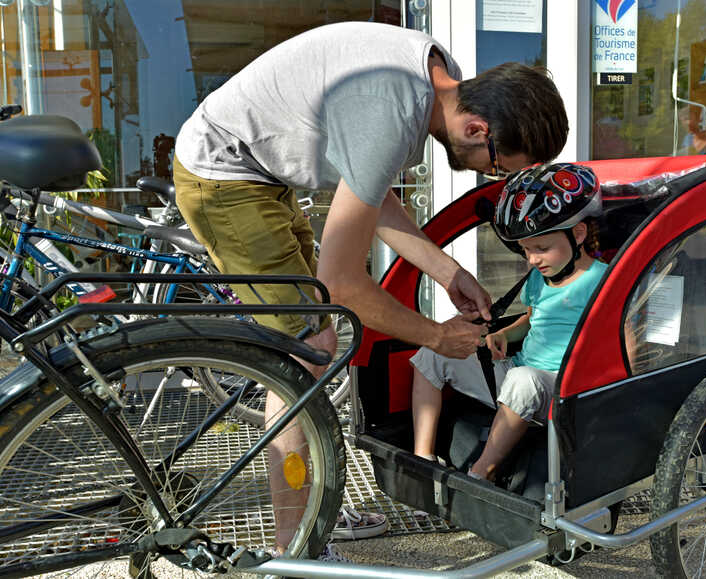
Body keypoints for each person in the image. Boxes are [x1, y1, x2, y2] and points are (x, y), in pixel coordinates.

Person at [173, 21, 568, 554]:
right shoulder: (391, 113)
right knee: (308, 350)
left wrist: (448, 273)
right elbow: (341, 282)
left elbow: (371, 189)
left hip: (261, 172)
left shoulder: (436, 76)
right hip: (224, 172)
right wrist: (435, 335)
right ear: (477, 128)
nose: (487, 177)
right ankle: (298, 550)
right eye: (496, 168)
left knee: (312, 341)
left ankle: (309, 512)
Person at [411, 163, 605, 481]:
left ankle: (479, 473)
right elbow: (533, 317)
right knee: (435, 352)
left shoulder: (604, 281)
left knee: (524, 381)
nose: (532, 259)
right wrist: (504, 333)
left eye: (541, 248)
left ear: (579, 234)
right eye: (526, 250)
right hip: (519, 375)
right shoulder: (540, 277)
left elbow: (623, 341)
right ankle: (423, 458)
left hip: (563, 391)